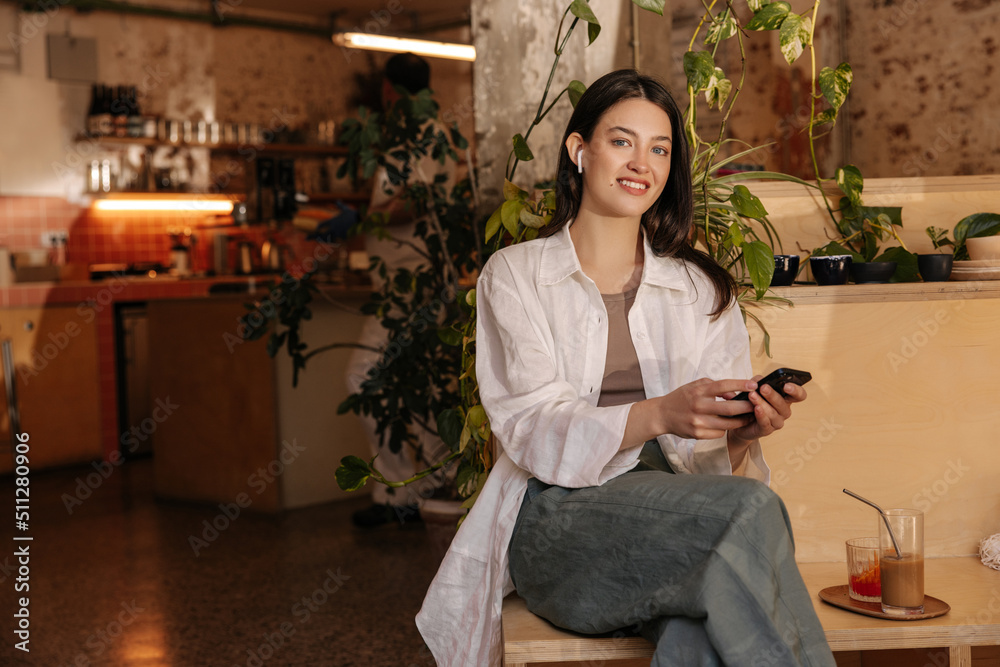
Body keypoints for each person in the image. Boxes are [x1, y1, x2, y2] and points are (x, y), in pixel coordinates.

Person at [415, 69, 837, 666]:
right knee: (751, 510)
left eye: (660, 149)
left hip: (676, 510)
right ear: (578, 150)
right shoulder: (514, 275)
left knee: (696, 635)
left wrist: (741, 432)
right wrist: (660, 412)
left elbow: (708, 465)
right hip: (557, 518)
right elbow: (534, 428)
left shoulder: (700, 288)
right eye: (622, 141)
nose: (643, 162)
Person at [346, 52, 456, 528]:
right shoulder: (423, 134)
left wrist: (360, 220)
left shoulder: (421, 134)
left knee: (365, 377)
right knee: (418, 384)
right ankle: (418, 488)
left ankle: (410, 489)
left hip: (415, 285)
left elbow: (417, 198)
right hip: (408, 283)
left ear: (390, 91)